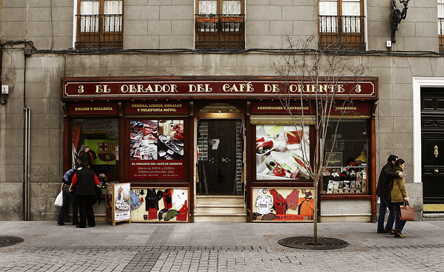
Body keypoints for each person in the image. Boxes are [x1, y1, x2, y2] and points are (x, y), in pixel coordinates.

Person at [376, 154, 405, 234]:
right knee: (392, 210)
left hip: (382, 192)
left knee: (383, 210)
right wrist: (398, 174)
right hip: (385, 193)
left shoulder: (388, 167)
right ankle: (388, 227)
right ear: (392, 161)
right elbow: (388, 174)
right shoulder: (387, 168)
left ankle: (380, 228)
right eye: (396, 160)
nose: (397, 162)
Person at [70, 161, 100, 228]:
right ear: (88, 166)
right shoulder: (92, 173)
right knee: (89, 207)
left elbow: (73, 182)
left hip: (80, 193)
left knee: (82, 208)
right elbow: (97, 182)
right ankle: (91, 222)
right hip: (90, 193)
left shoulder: (78, 173)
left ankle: (82, 223)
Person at [390, 159, 409, 238]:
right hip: (399, 196)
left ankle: (397, 231)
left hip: (394, 196)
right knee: (405, 214)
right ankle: (397, 229)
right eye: (403, 165)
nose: (404, 167)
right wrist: (406, 197)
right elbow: (402, 186)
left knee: (398, 214)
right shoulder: (400, 174)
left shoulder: (393, 173)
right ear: (400, 165)